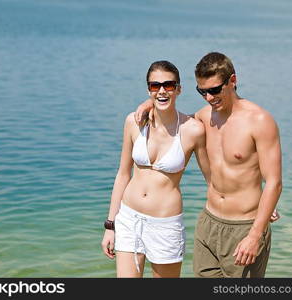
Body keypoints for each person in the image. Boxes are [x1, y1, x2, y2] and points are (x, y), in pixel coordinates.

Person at [134, 52, 282, 278]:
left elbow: (274, 182)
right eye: (202, 91)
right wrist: (150, 101)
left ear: (232, 81)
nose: (209, 97)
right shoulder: (203, 117)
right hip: (208, 223)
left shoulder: (260, 121)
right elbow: (172, 121)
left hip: (244, 226)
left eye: (214, 90)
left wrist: (255, 234)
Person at [101, 60, 211, 278]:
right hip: (129, 218)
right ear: (148, 89)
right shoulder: (134, 122)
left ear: (179, 89)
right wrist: (110, 225)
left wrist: (254, 201)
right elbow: (123, 174)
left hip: (165, 225)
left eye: (168, 85)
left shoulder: (193, 129)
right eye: (155, 86)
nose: (162, 90)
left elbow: (212, 180)